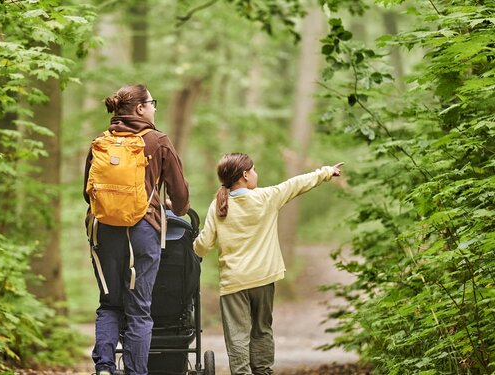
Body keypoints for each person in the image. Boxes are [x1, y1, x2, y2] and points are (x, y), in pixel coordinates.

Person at [193, 153, 343, 375]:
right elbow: (296, 184)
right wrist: (326, 172)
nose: (256, 174)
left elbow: (203, 245)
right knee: (262, 329)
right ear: (244, 175)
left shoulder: (218, 206)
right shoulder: (266, 197)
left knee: (237, 335)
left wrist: (193, 244)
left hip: (234, 281)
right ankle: (263, 371)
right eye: (253, 170)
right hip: (263, 277)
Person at [83, 84, 190, 375]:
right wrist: (170, 205)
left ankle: (104, 368)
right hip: (143, 231)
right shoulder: (157, 141)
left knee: (109, 304)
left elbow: (87, 192)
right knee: (139, 310)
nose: (155, 108)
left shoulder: (101, 142)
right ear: (141, 108)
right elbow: (180, 197)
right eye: (152, 103)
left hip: (104, 232)